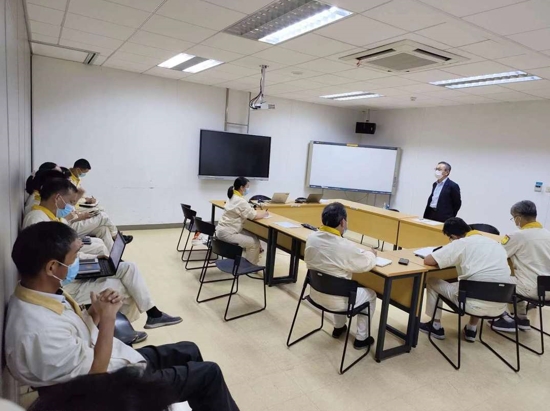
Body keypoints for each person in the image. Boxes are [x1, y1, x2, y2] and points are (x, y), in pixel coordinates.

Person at [6, 222, 239, 411]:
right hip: (106, 391)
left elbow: (75, 336)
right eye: (75, 256)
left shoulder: (41, 294)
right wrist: (107, 319)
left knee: (189, 349)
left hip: (107, 362)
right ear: (51, 267)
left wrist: (95, 312)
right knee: (209, 373)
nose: (78, 260)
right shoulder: (38, 331)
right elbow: (95, 376)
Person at [22, 180, 182, 331]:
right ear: (57, 198)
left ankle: (153, 314)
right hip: (65, 282)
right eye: (70, 202)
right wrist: (86, 260)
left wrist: (93, 259)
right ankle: (119, 330)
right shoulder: (37, 221)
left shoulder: (52, 217)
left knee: (128, 267)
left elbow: (64, 255)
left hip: (71, 269)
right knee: (124, 289)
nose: (71, 206)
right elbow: (53, 264)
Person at [419, 218, 515, 343]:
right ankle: (471, 329)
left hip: (472, 303)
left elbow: (428, 261)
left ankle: (435, 326)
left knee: (432, 281)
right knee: (480, 282)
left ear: (453, 236)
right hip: (501, 304)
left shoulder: (461, 243)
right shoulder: (495, 244)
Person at [304, 202, 377, 349]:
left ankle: (339, 327)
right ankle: (361, 338)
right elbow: (365, 264)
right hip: (337, 302)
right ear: (343, 222)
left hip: (315, 294)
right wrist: (371, 254)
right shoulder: (344, 246)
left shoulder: (311, 238)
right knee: (371, 295)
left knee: (337, 280)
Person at [490, 200, 550, 332]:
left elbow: (497, 254)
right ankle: (521, 318)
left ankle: (502, 317)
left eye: (513, 218)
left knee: (493, 278)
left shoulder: (517, 236)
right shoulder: (547, 234)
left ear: (518, 217)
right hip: (547, 290)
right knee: (518, 278)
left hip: (531, 289)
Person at [69, 158, 133, 244]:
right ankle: (116, 236)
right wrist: (79, 215)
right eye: (84, 172)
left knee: (104, 228)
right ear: (78, 169)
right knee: (102, 215)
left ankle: (113, 248)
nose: (83, 174)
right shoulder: (68, 182)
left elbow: (77, 197)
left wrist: (87, 199)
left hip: (75, 212)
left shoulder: (76, 179)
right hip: (71, 224)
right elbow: (72, 203)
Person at [215, 177, 268, 264]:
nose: (248, 189)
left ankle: (249, 262)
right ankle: (250, 266)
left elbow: (246, 212)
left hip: (221, 230)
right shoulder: (241, 201)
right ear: (241, 187)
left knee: (254, 236)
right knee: (254, 243)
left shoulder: (231, 197)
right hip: (228, 234)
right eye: (247, 186)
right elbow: (253, 216)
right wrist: (265, 214)